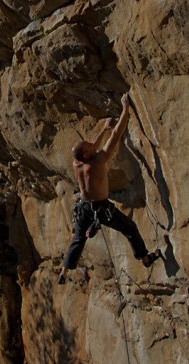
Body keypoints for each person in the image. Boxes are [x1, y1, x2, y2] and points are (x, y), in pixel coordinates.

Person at [58, 93, 160, 284]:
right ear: (88, 155)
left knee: (78, 238)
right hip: (101, 208)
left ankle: (64, 270)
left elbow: (90, 147)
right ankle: (145, 258)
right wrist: (125, 109)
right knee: (129, 228)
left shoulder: (77, 163)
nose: (92, 144)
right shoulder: (97, 162)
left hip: (84, 208)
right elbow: (117, 135)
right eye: (89, 147)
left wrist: (103, 129)